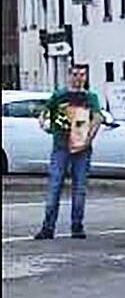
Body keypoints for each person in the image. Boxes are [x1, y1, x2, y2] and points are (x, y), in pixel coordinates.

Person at [34, 64, 103, 240]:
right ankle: (48, 227)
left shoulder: (90, 97)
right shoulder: (59, 95)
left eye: (82, 75)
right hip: (61, 146)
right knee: (54, 186)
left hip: (82, 147)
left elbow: (96, 118)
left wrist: (88, 139)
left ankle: (77, 226)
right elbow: (45, 111)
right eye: (75, 74)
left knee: (79, 188)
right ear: (69, 76)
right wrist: (43, 122)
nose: (79, 78)